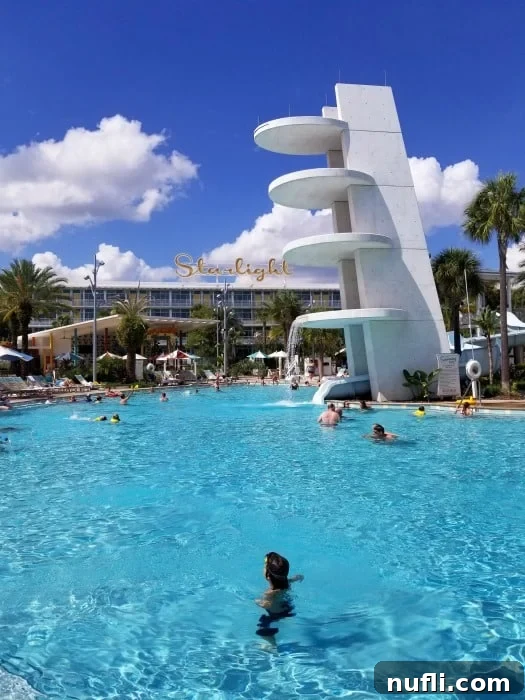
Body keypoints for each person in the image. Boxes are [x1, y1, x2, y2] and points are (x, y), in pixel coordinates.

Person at [255, 552, 303, 637]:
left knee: (263, 627)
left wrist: (257, 602)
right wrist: (299, 577)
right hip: (288, 608)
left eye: (264, 566)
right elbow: (295, 578)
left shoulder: (270, 593)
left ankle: (271, 644)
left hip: (275, 614)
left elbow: (266, 604)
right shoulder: (286, 582)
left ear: (268, 576)